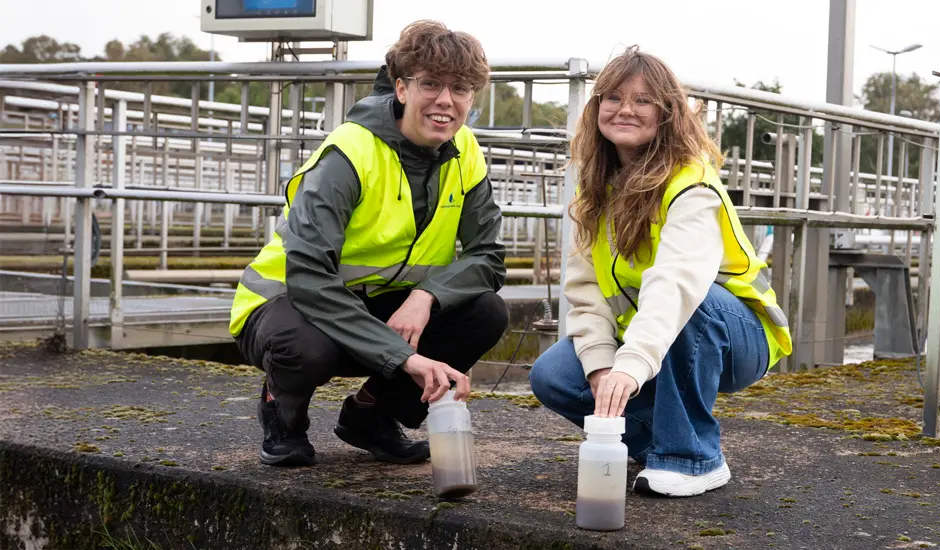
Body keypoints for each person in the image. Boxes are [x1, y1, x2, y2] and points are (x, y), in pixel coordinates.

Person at [230, 20, 508, 468]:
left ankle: (371, 417)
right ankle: (283, 415)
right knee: (305, 349)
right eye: (430, 84)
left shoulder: (467, 151)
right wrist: (405, 359)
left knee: (485, 311)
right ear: (401, 89)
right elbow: (309, 278)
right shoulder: (351, 152)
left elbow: (488, 257)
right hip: (291, 302)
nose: (445, 100)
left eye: (460, 89)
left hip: (380, 303)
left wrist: (427, 296)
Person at [528, 47, 792, 497]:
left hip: (736, 334)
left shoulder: (691, 183)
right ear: (596, 111)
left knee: (696, 301)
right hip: (659, 336)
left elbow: (675, 285)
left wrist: (629, 367)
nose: (625, 108)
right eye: (612, 97)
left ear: (667, 114)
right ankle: (663, 444)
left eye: (643, 100)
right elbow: (587, 292)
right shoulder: (595, 190)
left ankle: (695, 460)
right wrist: (598, 366)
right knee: (553, 375)